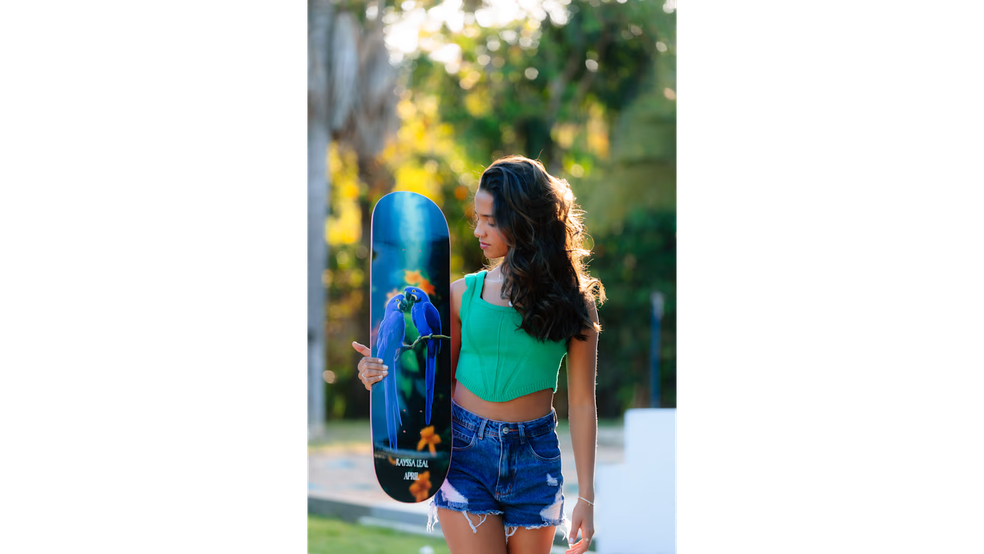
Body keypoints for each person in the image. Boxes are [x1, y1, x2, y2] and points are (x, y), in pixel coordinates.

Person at [352, 155, 604, 554]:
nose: (478, 230)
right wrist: (380, 371)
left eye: (489, 220)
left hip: (535, 460)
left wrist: (586, 498)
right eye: (477, 218)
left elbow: (583, 402)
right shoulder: (461, 295)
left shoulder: (574, 304)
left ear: (522, 219)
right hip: (465, 452)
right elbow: (433, 387)